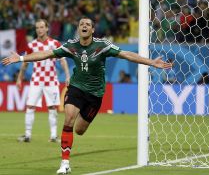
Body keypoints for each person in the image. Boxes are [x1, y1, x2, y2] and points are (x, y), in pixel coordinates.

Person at [2, 17, 172, 174]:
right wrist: (22, 59)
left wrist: (151, 62)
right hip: (76, 88)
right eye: (81, 24)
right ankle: (65, 163)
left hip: (95, 94)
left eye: (87, 24)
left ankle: (70, 144)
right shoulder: (71, 45)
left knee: (80, 130)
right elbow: (47, 54)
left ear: (92, 30)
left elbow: (127, 54)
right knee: (68, 119)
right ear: (78, 29)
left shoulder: (103, 46)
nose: (84, 26)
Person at [16, 19, 70, 143]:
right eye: (37, 28)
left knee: (52, 107)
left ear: (47, 28)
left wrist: (67, 75)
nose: (39, 30)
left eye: (41, 27)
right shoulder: (31, 45)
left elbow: (62, 60)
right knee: (30, 106)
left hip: (51, 81)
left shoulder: (55, 43)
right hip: (36, 81)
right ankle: (27, 135)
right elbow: (24, 63)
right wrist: (19, 78)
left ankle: (53, 136)